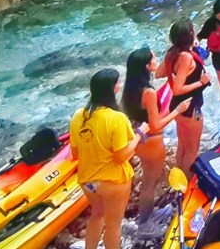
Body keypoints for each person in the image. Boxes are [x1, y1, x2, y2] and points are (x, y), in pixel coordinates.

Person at [70, 68, 139, 249]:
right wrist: (140, 135)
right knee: (113, 224)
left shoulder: (78, 115)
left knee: (97, 214)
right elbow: (121, 156)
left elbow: (75, 154)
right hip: (113, 181)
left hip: (88, 181)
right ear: (111, 88)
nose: (120, 84)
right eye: (118, 82)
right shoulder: (117, 118)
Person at [121, 48, 185, 224]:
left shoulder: (130, 89)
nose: (156, 59)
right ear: (147, 66)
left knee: (148, 180)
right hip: (152, 141)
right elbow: (155, 125)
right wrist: (177, 111)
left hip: (139, 139)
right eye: (154, 58)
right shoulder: (148, 92)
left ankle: (145, 216)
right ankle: (145, 222)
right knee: (150, 182)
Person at [162, 21, 210, 178]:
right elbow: (177, 89)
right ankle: (187, 184)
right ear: (190, 35)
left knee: (182, 146)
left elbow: (158, 73)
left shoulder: (173, 53)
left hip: (177, 108)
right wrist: (200, 82)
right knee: (192, 150)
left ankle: (179, 181)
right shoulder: (186, 58)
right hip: (190, 107)